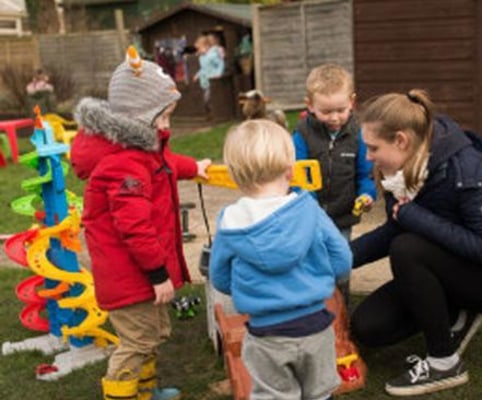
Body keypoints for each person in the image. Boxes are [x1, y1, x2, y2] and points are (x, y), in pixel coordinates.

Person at [349, 90, 482, 396]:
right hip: (448, 268)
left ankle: (444, 362)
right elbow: (395, 227)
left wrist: (415, 218)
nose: (368, 157)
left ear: (401, 140)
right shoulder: (398, 171)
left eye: (373, 147)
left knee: (407, 248)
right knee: (368, 327)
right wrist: (338, 257)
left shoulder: (465, 169)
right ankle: (457, 312)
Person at [70, 46, 211, 400]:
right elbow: (134, 228)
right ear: (136, 117)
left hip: (138, 273)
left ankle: (145, 391)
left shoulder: (140, 149)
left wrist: (194, 167)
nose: (166, 125)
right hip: (131, 275)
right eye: (162, 118)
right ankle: (120, 394)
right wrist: (158, 275)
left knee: (152, 334)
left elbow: (164, 163)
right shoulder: (123, 164)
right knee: (137, 341)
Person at [209, 119, 352, 400]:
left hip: (265, 332)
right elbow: (342, 259)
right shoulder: (310, 210)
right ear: (290, 170)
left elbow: (220, 277)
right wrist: (322, 276)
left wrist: (245, 290)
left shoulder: (231, 222)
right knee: (320, 392)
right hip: (316, 324)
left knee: (273, 394)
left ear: (235, 177)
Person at [292, 63, 377, 304]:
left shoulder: (358, 134)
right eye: (326, 111)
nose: (335, 117)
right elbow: (298, 177)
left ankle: (341, 315)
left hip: (342, 217)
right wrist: (309, 206)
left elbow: (365, 175)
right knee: (311, 264)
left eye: (341, 110)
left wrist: (367, 195)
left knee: (340, 266)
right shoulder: (302, 135)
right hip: (309, 217)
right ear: (310, 105)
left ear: (352, 102)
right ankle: (312, 310)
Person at [193, 34, 225, 114]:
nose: (198, 51)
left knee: (208, 98)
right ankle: (211, 113)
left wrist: (219, 73)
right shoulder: (202, 57)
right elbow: (203, 68)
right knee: (207, 98)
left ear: (206, 46)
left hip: (212, 79)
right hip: (205, 81)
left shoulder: (212, 56)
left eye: (200, 48)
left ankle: (213, 112)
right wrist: (198, 75)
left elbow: (220, 64)